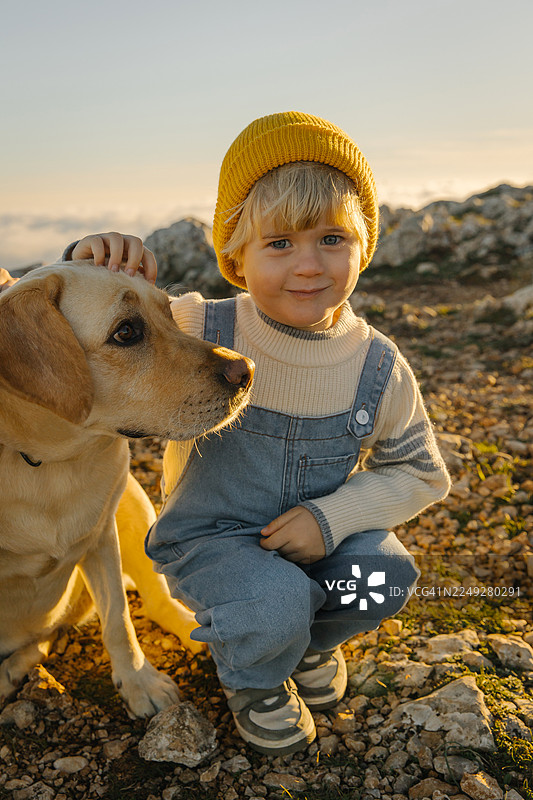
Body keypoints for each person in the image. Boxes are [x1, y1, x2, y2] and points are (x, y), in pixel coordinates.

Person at [59, 111, 450, 756]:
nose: (309, 266)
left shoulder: (377, 365)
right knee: (273, 604)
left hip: (315, 542)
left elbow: (421, 472)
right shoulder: (195, 328)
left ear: (363, 245)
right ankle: (254, 678)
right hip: (211, 544)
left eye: (332, 238)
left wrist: (329, 520)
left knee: (386, 574)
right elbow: (94, 327)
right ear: (236, 256)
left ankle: (305, 644)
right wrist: (88, 260)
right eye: (279, 243)